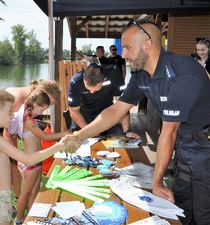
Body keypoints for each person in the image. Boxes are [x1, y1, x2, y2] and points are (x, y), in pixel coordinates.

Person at [68, 20, 210, 225]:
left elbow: (167, 133)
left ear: (147, 44)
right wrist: (79, 135)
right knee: (183, 207)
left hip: (205, 145)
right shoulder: (140, 74)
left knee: (204, 212)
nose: (122, 54)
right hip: (184, 143)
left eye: (127, 48)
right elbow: (116, 110)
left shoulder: (182, 75)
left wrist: (157, 183)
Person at [0, 87, 79, 225]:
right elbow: (30, 160)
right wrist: (59, 146)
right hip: (0, 196)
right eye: (9, 112)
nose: (13, 115)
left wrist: (16, 163)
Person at [8, 89, 70, 225]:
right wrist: (64, 134)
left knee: (34, 191)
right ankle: (19, 220)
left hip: (37, 162)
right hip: (31, 164)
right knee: (25, 193)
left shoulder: (31, 119)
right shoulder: (27, 121)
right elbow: (45, 136)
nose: (42, 113)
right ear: (34, 106)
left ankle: (32, 217)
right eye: (42, 110)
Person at [3, 80, 61, 202]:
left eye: (50, 105)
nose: (46, 108)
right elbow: (8, 136)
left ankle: (26, 199)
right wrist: (19, 159)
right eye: (47, 104)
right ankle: (17, 197)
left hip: (13, 123)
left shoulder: (36, 102)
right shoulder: (19, 102)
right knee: (12, 164)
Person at [68, 63, 139, 139]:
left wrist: (127, 131)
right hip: (82, 120)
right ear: (83, 79)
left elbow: (122, 103)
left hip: (105, 118)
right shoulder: (75, 81)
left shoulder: (114, 73)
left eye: (95, 90)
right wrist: (88, 131)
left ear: (103, 80)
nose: (91, 92)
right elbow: (73, 110)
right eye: (88, 89)